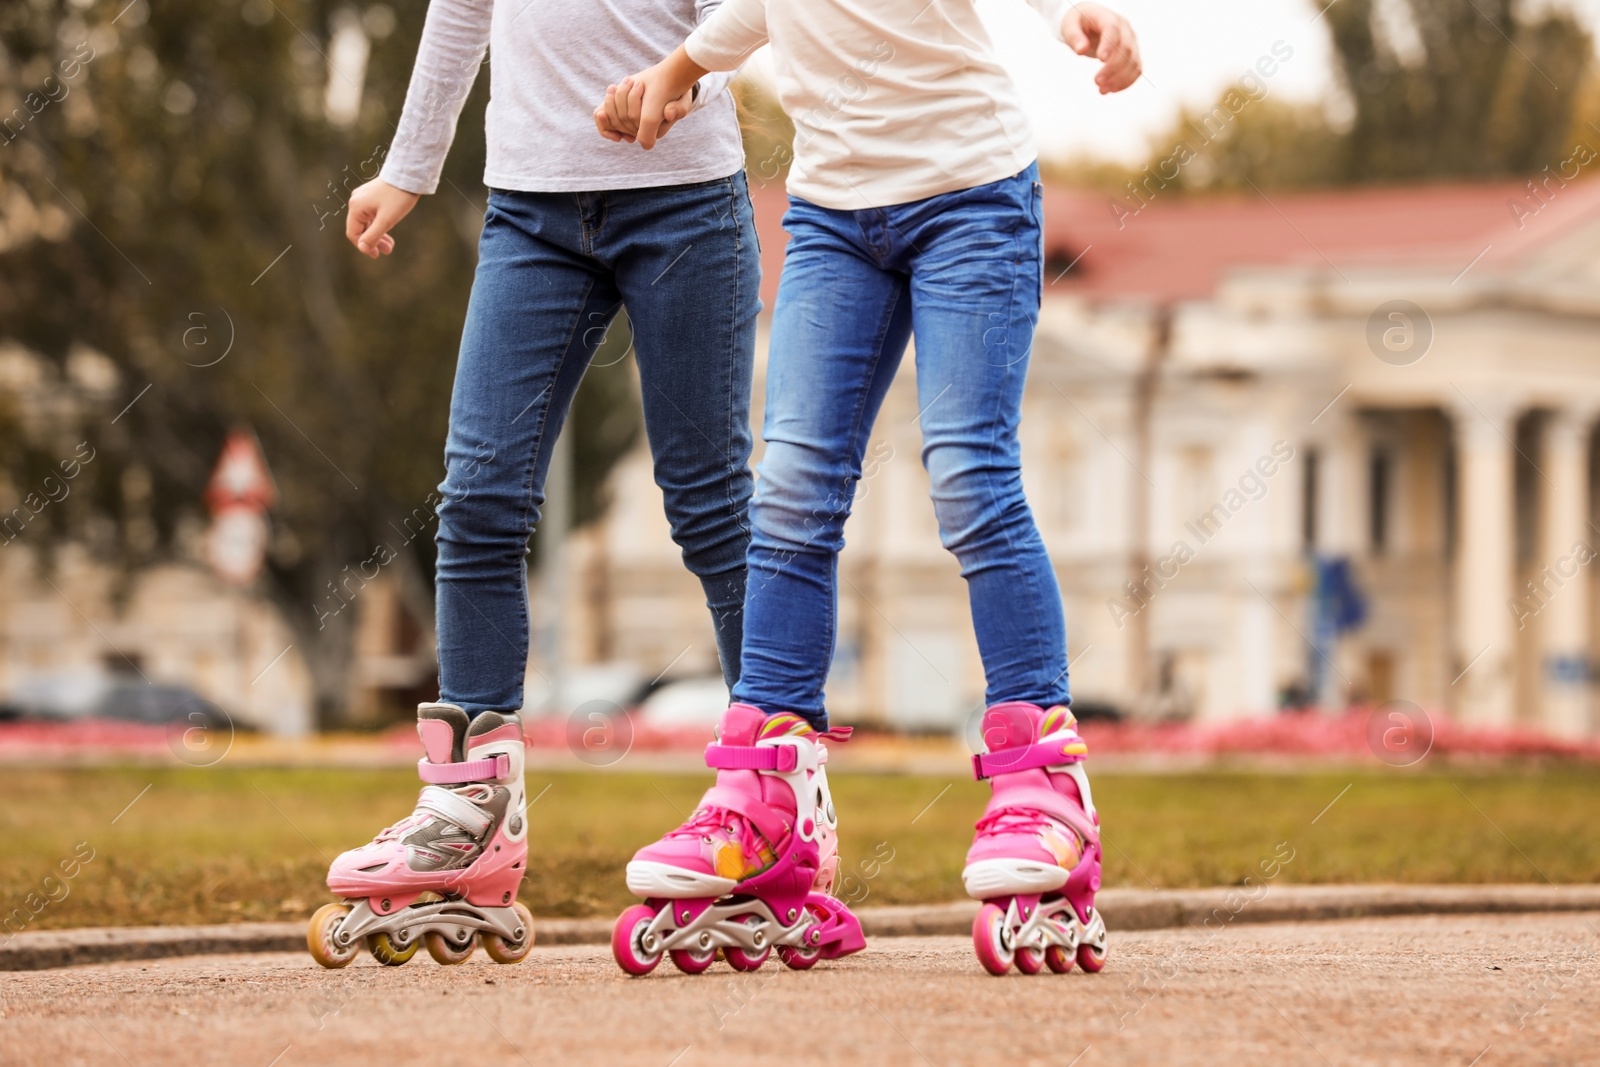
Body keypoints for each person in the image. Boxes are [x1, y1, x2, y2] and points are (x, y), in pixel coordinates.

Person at [597, 0, 1140, 976]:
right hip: (832, 217)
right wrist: (675, 71)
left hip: (970, 196)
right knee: (793, 491)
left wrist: (1083, 14)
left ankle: (1045, 785)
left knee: (969, 476)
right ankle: (769, 796)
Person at [306, 0, 761, 969]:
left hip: (682, 198)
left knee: (712, 501)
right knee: (475, 499)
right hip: (530, 206)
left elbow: (741, 12)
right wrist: (409, 167)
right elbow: (461, 8)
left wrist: (684, 81)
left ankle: (776, 777)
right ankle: (471, 806)